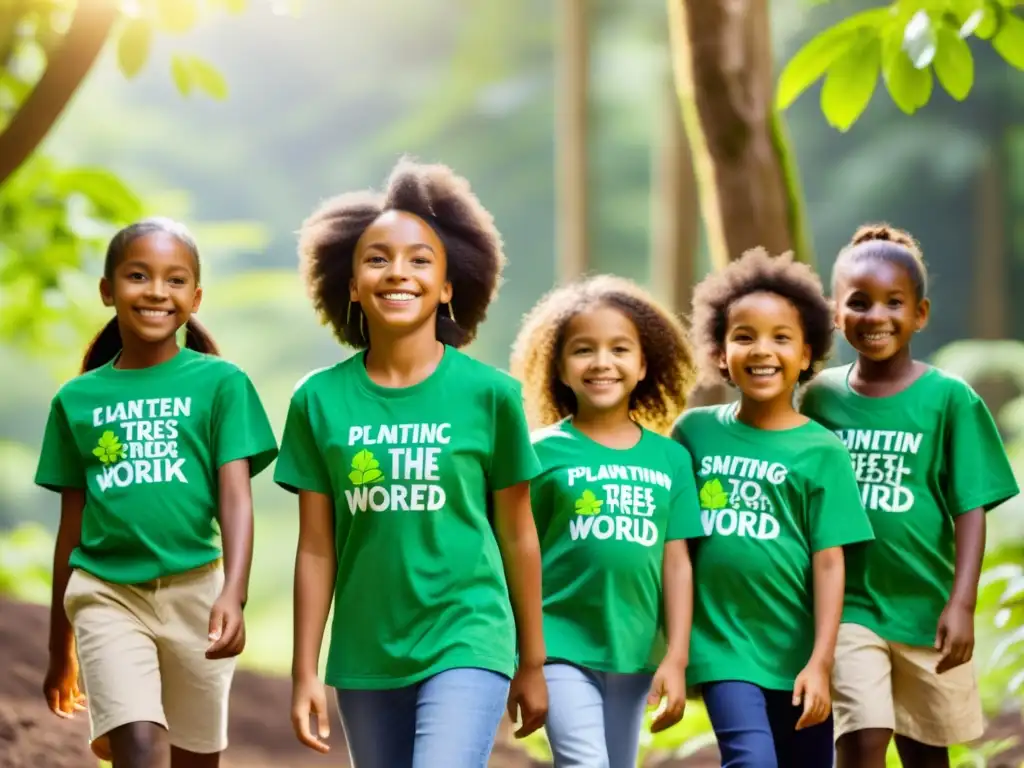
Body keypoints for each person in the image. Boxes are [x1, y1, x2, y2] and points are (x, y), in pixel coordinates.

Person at [275, 158, 548, 768]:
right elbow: (316, 548)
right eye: (377, 259)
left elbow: (517, 531)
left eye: (420, 260)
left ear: (449, 286)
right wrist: (304, 671)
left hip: (467, 635)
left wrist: (532, 659)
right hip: (365, 651)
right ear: (349, 284)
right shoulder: (317, 400)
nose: (398, 272)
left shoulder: (491, 395)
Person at [35, 217, 279, 768]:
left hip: (198, 595)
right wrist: (59, 647)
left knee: (195, 759)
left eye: (174, 280)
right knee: (138, 748)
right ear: (108, 290)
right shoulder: (76, 399)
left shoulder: (221, 384)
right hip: (105, 594)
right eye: (138, 275)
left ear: (195, 298)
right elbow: (70, 527)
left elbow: (236, 498)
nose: (155, 292)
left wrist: (232, 593)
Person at [800, 224, 1020, 768]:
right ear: (835, 312)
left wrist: (962, 603)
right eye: (859, 302)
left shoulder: (949, 399)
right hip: (848, 609)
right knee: (862, 739)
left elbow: (970, 506)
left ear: (919, 313)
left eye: (893, 302)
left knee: (926, 751)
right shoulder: (818, 399)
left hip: (925, 610)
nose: (876, 316)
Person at [671, 247, 875, 768]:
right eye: (745, 337)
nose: (763, 350)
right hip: (721, 645)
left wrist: (821, 662)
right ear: (720, 353)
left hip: (797, 654)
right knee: (752, 759)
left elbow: (830, 561)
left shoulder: (822, 451)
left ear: (807, 354)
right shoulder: (693, 434)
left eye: (781, 338)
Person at [509, 275, 704, 768]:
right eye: (583, 350)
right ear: (559, 366)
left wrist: (677, 658)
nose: (602, 362)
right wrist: (526, 660)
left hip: (635, 651)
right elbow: (515, 554)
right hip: (559, 645)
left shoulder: (671, 459)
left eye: (620, 349)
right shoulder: (539, 453)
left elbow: (677, 562)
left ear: (644, 365)